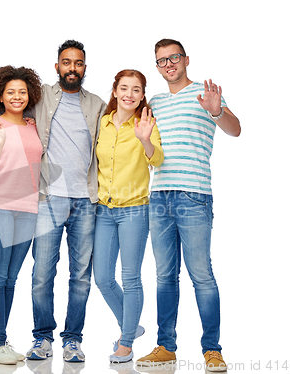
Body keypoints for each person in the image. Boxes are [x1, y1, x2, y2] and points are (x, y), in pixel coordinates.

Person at [136, 39, 240, 372]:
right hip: (160, 196)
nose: (168, 64)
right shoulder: (154, 102)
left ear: (186, 59)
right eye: (161, 60)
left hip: (194, 194)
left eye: (174, 57)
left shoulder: (206, 94)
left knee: (201, 275)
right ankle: (165, 346)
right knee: (165, 277)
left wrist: (217, 110)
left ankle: (212, 349)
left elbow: (235, 130)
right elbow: (147, 148)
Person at [25, 40, 107, 363]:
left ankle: (72, 339)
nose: (72, 68)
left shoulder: (98, 105)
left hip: (86, 201)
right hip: (49, 197)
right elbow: (9, 99)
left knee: (80, 276)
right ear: (57, 66)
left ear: (84, 68)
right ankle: (42, 337)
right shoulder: (42, 95)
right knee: (42, 273)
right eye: (66, 62)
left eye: (78, 63)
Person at [93, 70, 164, 363]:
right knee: (103, 278)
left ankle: (126, 342)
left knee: (131, 277)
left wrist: (145, 139)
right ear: (114, 90)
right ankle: (132, 325)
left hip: (134, 208)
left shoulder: (146, 123)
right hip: (103, 209)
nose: (129, 94)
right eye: (124, 88)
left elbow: (157, 159)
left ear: (142, 94)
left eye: (136, 90)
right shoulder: (103, 122)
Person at [0, 66, 42, 365]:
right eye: (10, 92)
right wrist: (0, 143)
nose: (17, 96)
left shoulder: (32, 125)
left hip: (29, 209)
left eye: (22, 92)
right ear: (0, 96)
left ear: (29, 95)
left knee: (11, 278)